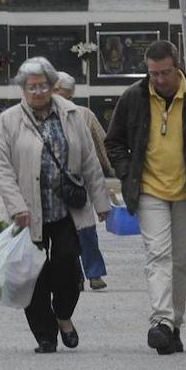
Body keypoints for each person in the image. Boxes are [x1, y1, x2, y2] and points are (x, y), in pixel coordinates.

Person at [104, 40, 186, 355]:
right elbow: (114, 141)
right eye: (153, 73)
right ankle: (161, 321)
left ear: (178, 67)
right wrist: (125, 173)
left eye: (165, 73)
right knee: (157, 255)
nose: (159, 80)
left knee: (180, 262)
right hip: (149, 189)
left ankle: (173, 325)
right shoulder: (134, 98)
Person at [0, 57, 111, 354]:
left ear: (52, 86)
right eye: (31, 86)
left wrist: (101, 201)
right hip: (28, 212)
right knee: (32, 275)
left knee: (68, 267)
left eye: (43, 85)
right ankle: (45, 335)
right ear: (23, 89)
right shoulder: (8, 121)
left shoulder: (72, 114)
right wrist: (16, 206)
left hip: (67, 209)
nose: (37, 91)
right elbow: (2, 168)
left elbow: (88, 161)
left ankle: (63, 314)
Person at [54, 71, 111, 291]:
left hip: (79, 184)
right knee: (63, 235)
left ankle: (94, 273)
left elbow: (102, 145)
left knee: (86, 231)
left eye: (63, 92)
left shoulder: (84, 115)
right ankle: (74, 275)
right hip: (54, 186)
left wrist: (115, 171)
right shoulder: (40, 114)